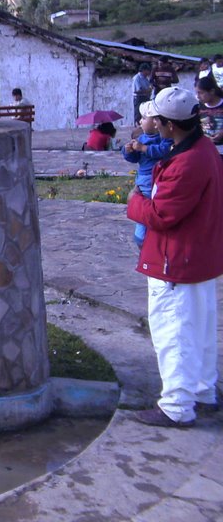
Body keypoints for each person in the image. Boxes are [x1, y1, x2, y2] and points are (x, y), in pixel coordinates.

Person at [126, 86, 223, 427]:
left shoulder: (185, 164)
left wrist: (134, 201)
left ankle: (177, 406)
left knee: (174, 332)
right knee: (199, 327)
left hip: (175, 260)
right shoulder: (205, 148)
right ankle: (202, 391)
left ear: (169, 125)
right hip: (199, 256)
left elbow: (161, 215)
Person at [121, 102, 172, 247]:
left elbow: (163, 150)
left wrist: (144, 148)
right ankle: (141, 237)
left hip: (155, 178)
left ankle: (148, 237)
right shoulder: (141, 138)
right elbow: (135, 159)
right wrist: (128, 151)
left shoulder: (164, 139)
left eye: (144, 118)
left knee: (151, 208)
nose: (140, 121)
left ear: (156, 123)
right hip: (143, 179)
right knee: (143, 209)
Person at [195, 74, 223, 149]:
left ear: (212, 91)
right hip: (206, 148)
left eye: (201, 93)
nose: (197, 96)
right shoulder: (198, 106)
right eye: (197, 93)